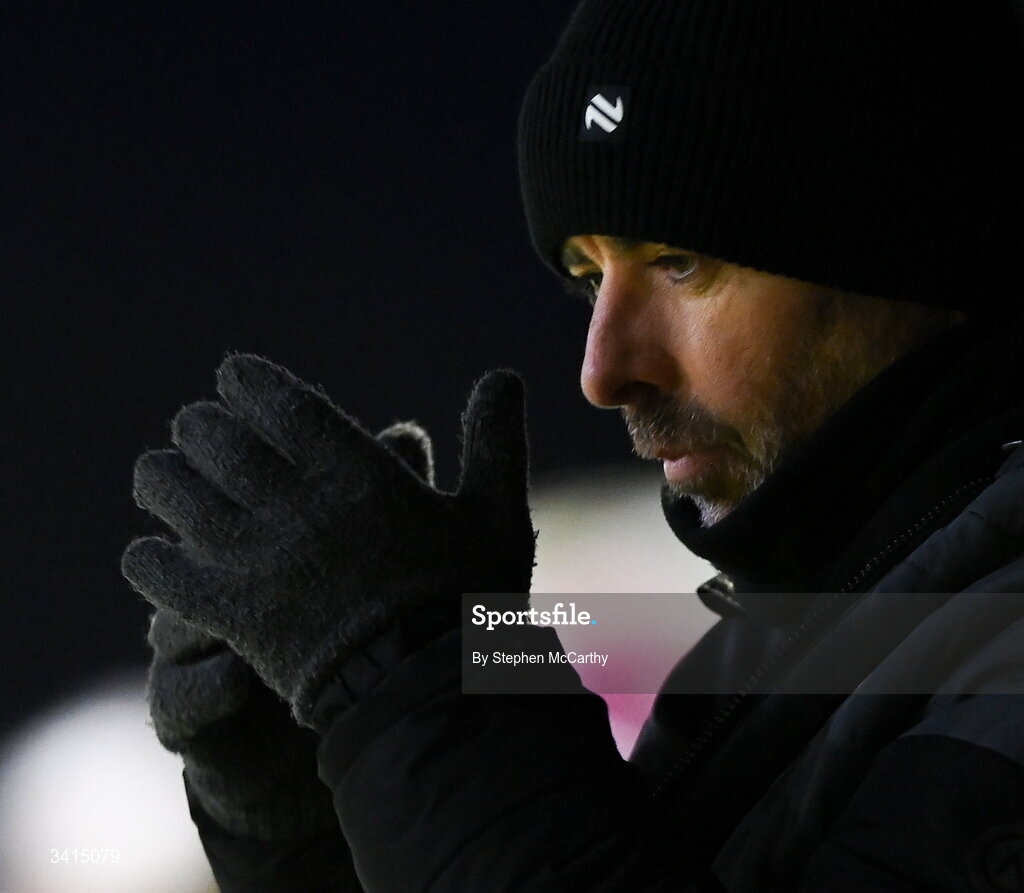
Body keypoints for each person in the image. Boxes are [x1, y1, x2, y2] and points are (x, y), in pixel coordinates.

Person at [122, 1, 1024, 890]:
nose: (603, 369)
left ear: (909, 255)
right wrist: (321, 803)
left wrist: (406, 679)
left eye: (682, 262)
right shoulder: (798, 635)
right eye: (591, 276)